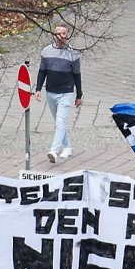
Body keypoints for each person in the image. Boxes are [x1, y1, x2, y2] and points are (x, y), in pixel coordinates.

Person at [40, 24, 84, 164]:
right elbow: (42, 72)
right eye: (58, 33)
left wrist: (79, 95)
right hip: (51, 92)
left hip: (66, 92)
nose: (60, 36)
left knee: (60, 121)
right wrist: (38, 89)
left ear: (67, 35)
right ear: (54, 35)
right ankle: (68, 147)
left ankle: (53, 150)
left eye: (63, 33)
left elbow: (77, 75)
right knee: (59, 121)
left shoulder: (73, 53)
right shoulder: (46, 51)